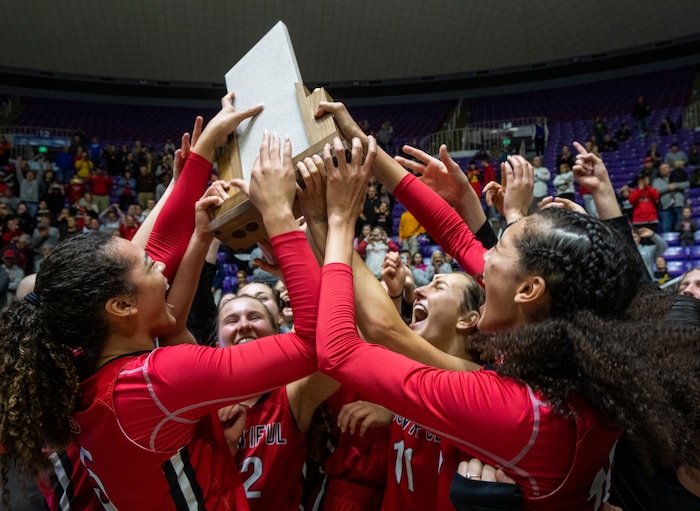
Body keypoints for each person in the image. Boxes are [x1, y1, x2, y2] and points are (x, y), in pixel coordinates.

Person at [311, 101, 700, 510]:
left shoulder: (522, 414)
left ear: (529, 290)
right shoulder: (571, 366)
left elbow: (340, 351)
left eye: (499, 248)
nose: (485, 256)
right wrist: (367, 148)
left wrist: (337, 222)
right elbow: (457, 236)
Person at [0, 98, 329, 510]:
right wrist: (280, 217)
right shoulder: (156, 381)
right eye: (148, 266)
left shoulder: (87, 366)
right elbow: (317, 344)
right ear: (121, 306)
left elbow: (162, 256)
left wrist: (201, 199)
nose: (159, 263)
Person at [653, 162, 689, 233]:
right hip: (665, 208)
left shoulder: (678, 176)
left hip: (679, 206)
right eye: (662, 168)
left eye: (666, 168)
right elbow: (655, 191)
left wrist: (676, 185)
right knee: (666, 228)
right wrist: (668, 187)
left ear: (670, 169)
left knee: (682, 227)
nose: (664, 170)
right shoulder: (656, 181)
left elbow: (687, 184)